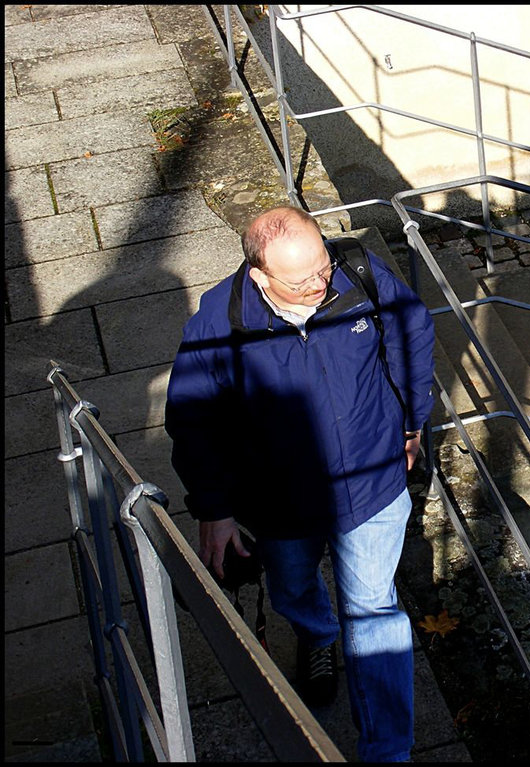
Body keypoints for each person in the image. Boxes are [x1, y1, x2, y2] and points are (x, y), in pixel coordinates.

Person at [165, 205, 435, 762]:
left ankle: (388, 752)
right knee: (290, 588)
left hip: (373, 484)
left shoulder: (355, 272)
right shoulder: (219, 322)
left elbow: (412, 330)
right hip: (281, 501)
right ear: (261, 277)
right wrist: (213, 510)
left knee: (375, 613)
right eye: (302, 279)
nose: (321, 283)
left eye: (322, 266)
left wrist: (413, 419)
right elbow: (193, 418)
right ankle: (317, 632)